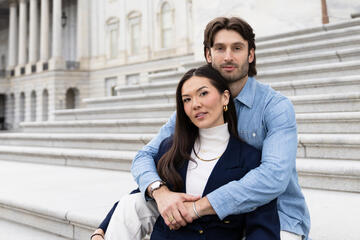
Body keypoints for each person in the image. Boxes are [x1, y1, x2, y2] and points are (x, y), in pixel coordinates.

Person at [91, 16, 310, 240]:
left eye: (237, 48)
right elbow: (147, 156)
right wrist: (162, 193)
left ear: (250, 54)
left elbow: (274, 177)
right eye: (219, 48)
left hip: (272, 212)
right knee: (134, 204)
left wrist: (198, 207)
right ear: (208, 55)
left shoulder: (275, 107)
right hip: (201, 208)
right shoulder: (196, 108)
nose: (228, 56)